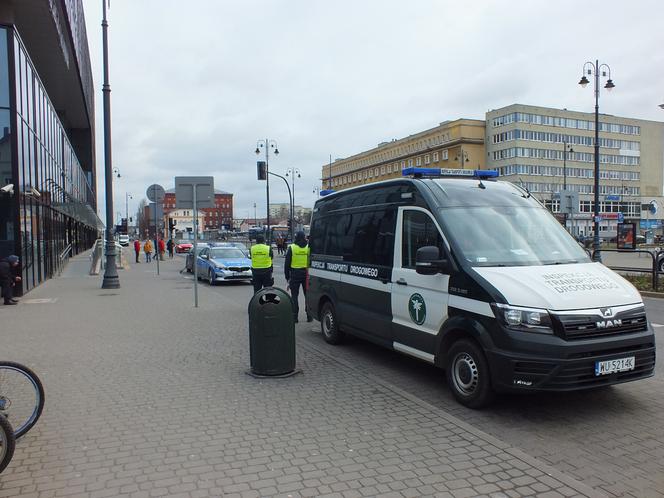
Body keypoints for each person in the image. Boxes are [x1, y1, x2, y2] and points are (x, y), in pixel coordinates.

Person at [284, 231, 312, 323]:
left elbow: (287, 264)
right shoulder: (309, 247)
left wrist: (287, 277)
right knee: (307, 296)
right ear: (304, 237)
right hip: (306, 274)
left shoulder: (292, 248)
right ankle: (309, 316)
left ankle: (295, 317)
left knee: (294, 296)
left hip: (295, 274)